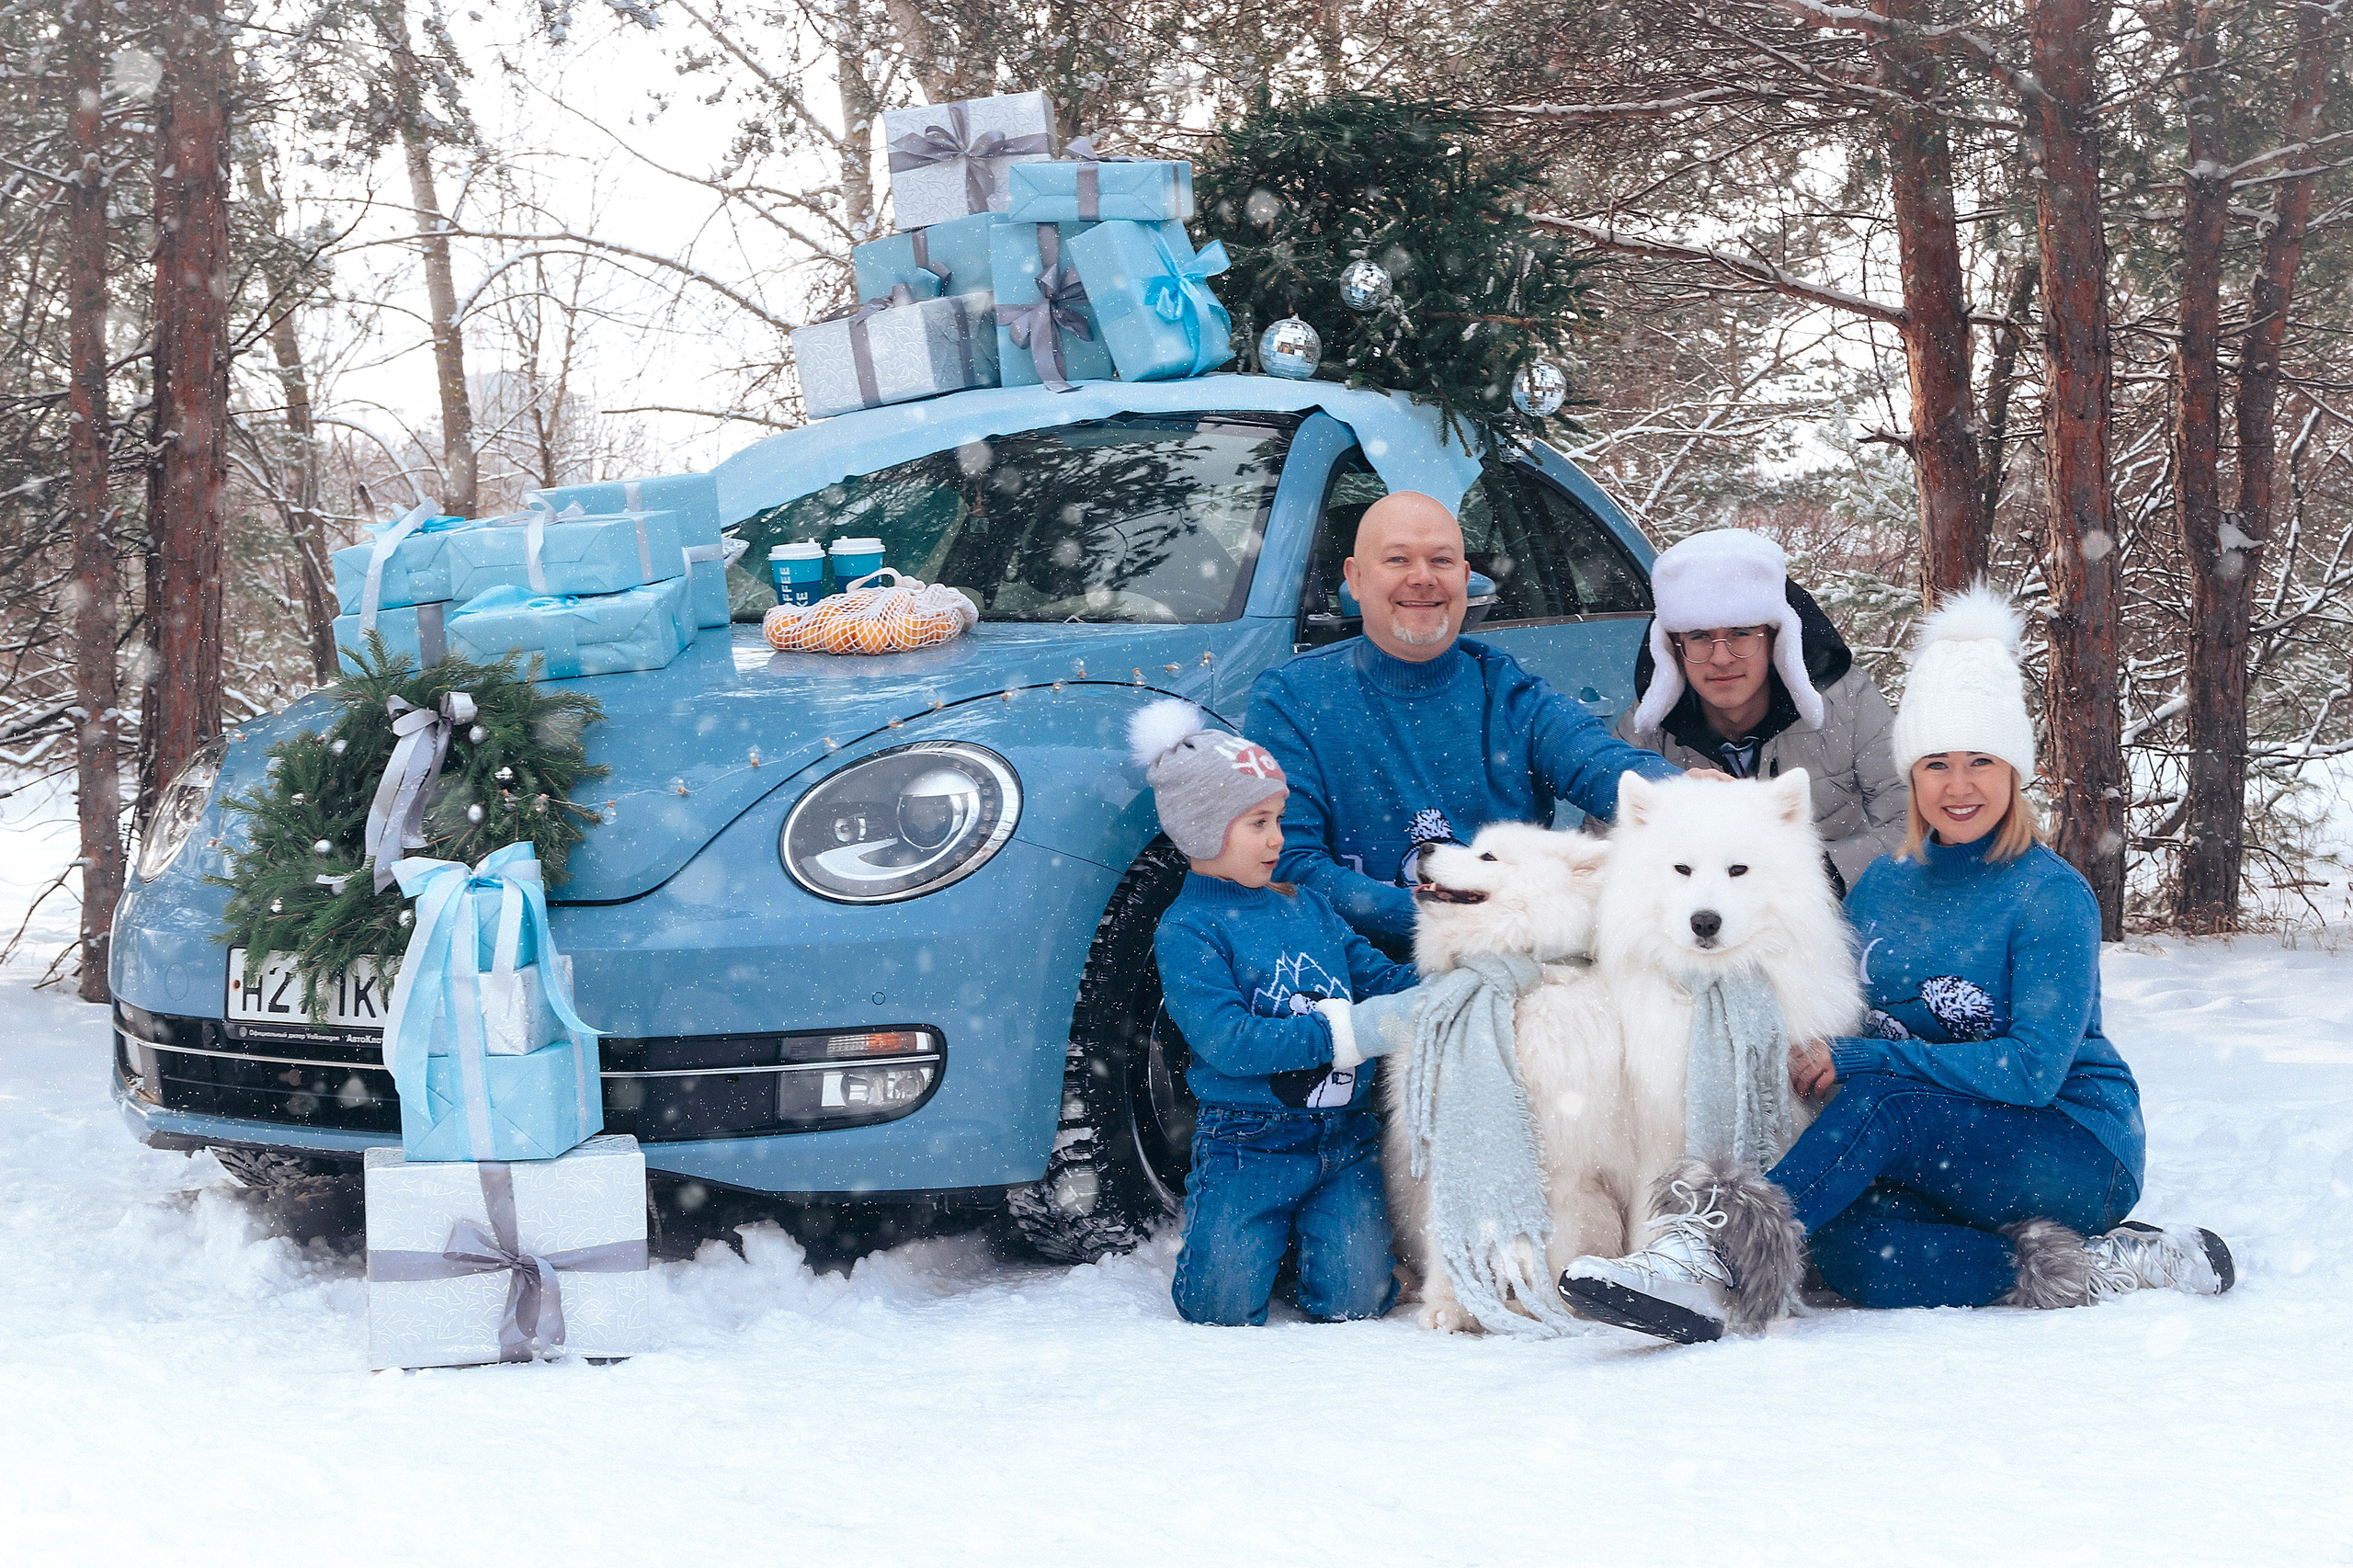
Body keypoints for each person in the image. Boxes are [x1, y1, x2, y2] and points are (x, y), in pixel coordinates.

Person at [1556, 585, 2236, 1344]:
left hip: (2071, 1145)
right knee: (1849, 1255)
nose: (1959, 785)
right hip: (1941, 1144)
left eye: (1983, 761)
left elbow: (2034, 1071)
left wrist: (1866, 1061)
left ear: (2015, 772)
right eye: (1936, 763)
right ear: (1910, 775)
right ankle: (2103, 1267)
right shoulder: (1884, 883)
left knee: (1883, 1103)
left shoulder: (2050, 895)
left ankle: (1706, 1253)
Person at [1247, 491, 1684, 953]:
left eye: (1441, 560)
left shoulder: (1506, 692)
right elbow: (1286, 861)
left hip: (1508, 960)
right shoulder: (1293, 700)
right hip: (1355, 972)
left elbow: (1599, 762)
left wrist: (1690, 800)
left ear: (1465, 577)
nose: (1422, 578)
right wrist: (1438, 914)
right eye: (1397, 560)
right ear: (1355, 579)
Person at [1131, 698, 1427, 1327]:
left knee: (1354, 1303)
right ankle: (1263, 1244)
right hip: (1249, 1144)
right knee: (1221, 1308)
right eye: (1257, 823)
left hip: (1346, 1142)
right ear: (1203, 827)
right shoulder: (1189, 930)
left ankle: (1316, 1248)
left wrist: (1461, 969)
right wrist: (1350, 1032)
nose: (1277, 840)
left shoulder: (1309, 908)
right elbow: (1230, 1043)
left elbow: (1384, 980)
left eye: (1278, 820)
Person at [1613, 528, 1905, 895]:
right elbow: (1610, 851)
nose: (1721, 657)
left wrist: (1821, 872)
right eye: (1699, 636)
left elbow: (1912, 825)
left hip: (1842, 916)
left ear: (1776, 638)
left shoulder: (1848, 704)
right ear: (1673, 647)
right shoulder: (1644, 734)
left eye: (1741, 632)